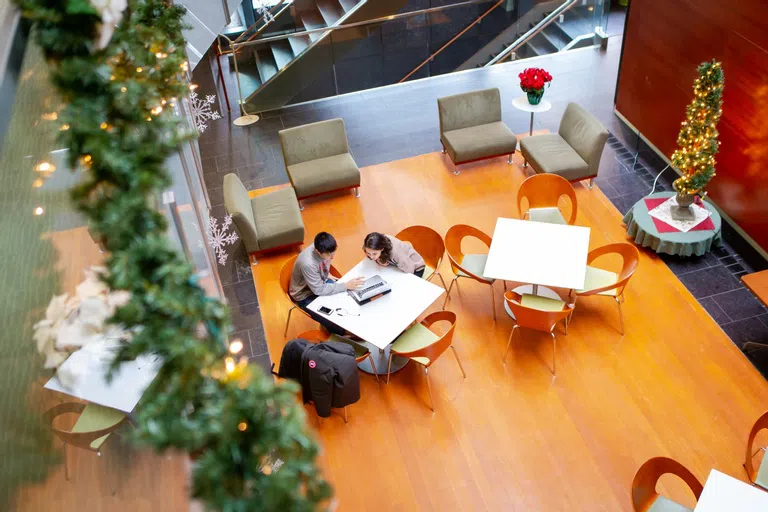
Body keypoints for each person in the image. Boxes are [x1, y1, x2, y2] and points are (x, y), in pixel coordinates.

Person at [290, 232, 365, 335]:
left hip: (319, 282)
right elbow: (318, 290)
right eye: (329, 255)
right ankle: (344, 332)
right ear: (317, 251)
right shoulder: (308, 264)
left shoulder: (323, 248)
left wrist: (325, 273)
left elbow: (321, 269)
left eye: (333, 253)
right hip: (304, 294)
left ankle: (347, 323)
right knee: (328, 315)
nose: (332, 257)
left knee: (347, 296)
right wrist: (345, 285)